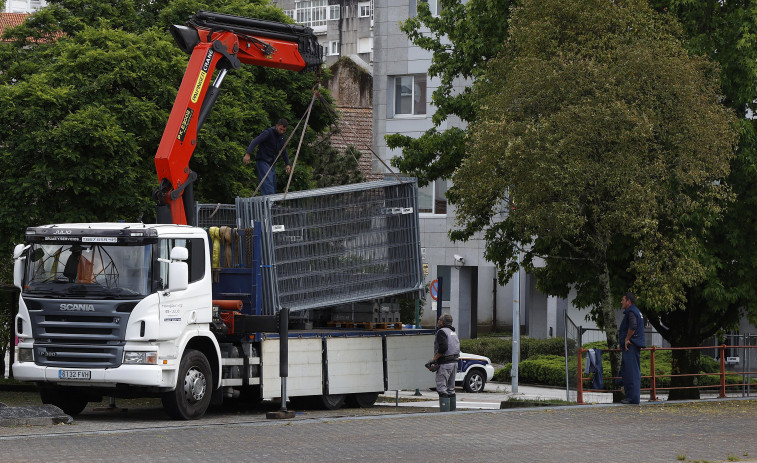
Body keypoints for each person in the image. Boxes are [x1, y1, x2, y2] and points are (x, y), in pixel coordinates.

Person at [243, 119, 292, 195]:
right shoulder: (268, 133)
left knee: (273, 183)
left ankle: (270, 203)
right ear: (277, 126)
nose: (281, 131)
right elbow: (255, 141)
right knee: (267, 183)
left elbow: (283, 150)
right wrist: (248, 154)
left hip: (271, 163)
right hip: (263, 160)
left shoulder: (282, 137)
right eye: (280, 129)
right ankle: (270, 203)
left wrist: (287, 164)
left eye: (284, 130)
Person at [618, 292, 645, 404]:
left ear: (628, 301)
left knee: (632, 372)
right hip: (634, 346)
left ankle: (633, 399)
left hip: (631, 346)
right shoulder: (636, 311)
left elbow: (633, 326)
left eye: (623, 300)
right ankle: (631, 397)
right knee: (629, 371)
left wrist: (627, 339)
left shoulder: (631, 312)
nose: (621, 302)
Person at [431, 313, 461, 412]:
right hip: (455, 362)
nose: (438, 321)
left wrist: (434, 359)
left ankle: (444, 413)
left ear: (442, 322)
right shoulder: (453, 332)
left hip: (445, 363)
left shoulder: (441, 332)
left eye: (439, 320)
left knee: (441, 388)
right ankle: (452, 411)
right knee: (451, 389)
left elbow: (443, 347)